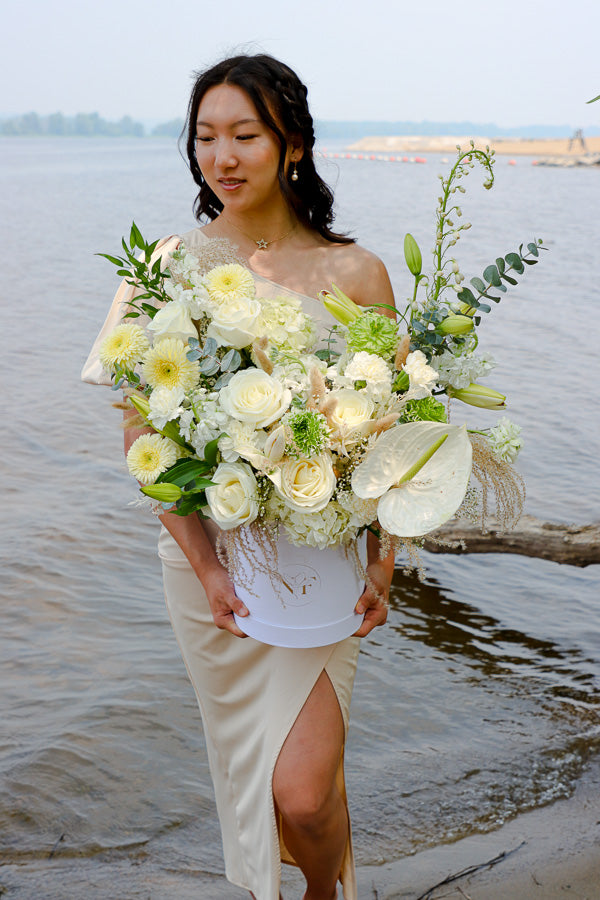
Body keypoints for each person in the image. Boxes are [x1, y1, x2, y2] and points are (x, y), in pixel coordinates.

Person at [83, 53, 396, 900]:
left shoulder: (358, 274)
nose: (222, 156)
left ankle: (325, 891)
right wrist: (210, 568)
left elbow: (395, 436)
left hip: (323, 557)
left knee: (303, 791)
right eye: (205, 137)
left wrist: (384, 560)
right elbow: (142, 435)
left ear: (291, 143)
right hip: (212, 568)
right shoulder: (166, 266)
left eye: (245, 135)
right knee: (271, 778)